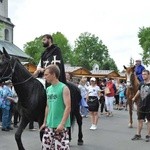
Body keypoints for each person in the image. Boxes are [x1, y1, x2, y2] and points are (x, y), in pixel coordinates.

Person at [40, 64, 71, 149]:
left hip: (60, 126)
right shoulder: (48, 89)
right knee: (46, 147)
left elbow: (68, 107)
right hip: (49, 125)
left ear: (53, 74)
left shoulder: (64, 88)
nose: (44, 77)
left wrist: (62, 124)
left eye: (46, 75)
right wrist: (44, 122)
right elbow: (47, 106)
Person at [131, 70, 150, 142]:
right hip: (141, 104)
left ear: (148, 75)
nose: (143, 75)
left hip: (149, 105)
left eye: (145, 74)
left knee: (149, 121)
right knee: (140, 120)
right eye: (142, 74)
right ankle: (138, 135)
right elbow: (139, 91)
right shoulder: (141, 83)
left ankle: (148, 136)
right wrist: (134, 97)